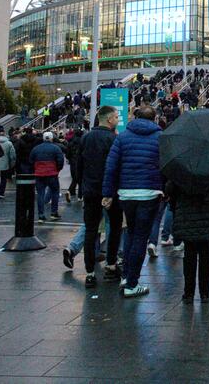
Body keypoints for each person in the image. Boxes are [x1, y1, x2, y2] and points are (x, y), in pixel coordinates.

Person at [102, 105, 163, 298]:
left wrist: (108, 193)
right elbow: (166, 165)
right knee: (140, 237)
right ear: (155, 118)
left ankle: (126, 276)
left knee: (130, 232)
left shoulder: (123, 137)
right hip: (149, 193)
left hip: (126, 194)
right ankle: (132, 283)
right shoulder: (160, 137)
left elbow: (111, 167)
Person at [77, 105, 122, 288]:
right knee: (114, 227)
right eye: (117, 117)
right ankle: (111, 265)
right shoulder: (113, 139)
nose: (118, 120)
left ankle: (89, 272)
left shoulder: (86, 138)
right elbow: (116, 168)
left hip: (90, 191)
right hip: (109, 192)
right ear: (110, 119)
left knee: (90, 230)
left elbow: (78, 165)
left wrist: (81, 187)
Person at [169, 180, 209, 304]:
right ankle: (204, 293)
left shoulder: (181, 168)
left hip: (187, 215)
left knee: (189, 254)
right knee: (206, 255)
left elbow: (170, 189)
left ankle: (188, 293)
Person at [30, 132, 65, 222]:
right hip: (52, 173)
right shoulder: (56, 148)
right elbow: (60, 160)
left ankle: (41, 215)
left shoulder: (36, 148)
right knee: (55, 192)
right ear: (52, 138)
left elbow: (31, 160)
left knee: (40, 194)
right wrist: (57, 170)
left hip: (39, 174)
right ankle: (54, 213)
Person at [0, 127, 16, 199]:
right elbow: (12, 155)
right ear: (4, 133)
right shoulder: (9, 143)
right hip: (5, 163)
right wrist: (12, 164)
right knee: (4, 179)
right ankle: (1, 193)